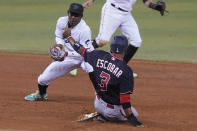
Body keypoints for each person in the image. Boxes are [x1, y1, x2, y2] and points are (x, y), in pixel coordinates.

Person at [64, 26, 144, 127]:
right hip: (113, 111)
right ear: (125, 50)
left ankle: (101, 114)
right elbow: (125, 99)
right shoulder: (126, 70)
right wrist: (132, 119)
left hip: (98, 103)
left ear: (111, 48)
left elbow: (80, 50)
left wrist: (69, 37)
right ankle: (104, 117)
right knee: (135, 113)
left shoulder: (98, 55)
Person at [24, 3, 94, 101]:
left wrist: (65, 54)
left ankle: (105, 98)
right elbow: (58, 36)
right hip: (69, 57)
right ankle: (41, 94)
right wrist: (59, 46)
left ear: (81, 16)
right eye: (71, 14)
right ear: (68, 13)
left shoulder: (84, 30)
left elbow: (85, 52)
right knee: (42, 79)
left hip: (86, 58)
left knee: (96, 75)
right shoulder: (61, 21)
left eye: (76, 15)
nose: (73, 17)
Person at [83, 0, 166, 64]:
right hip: (111, 11)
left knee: (136, 41)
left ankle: (121, 67)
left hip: (126, 14)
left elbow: (146, 1)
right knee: (101, 41)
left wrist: (155, 6)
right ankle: (77, 55)